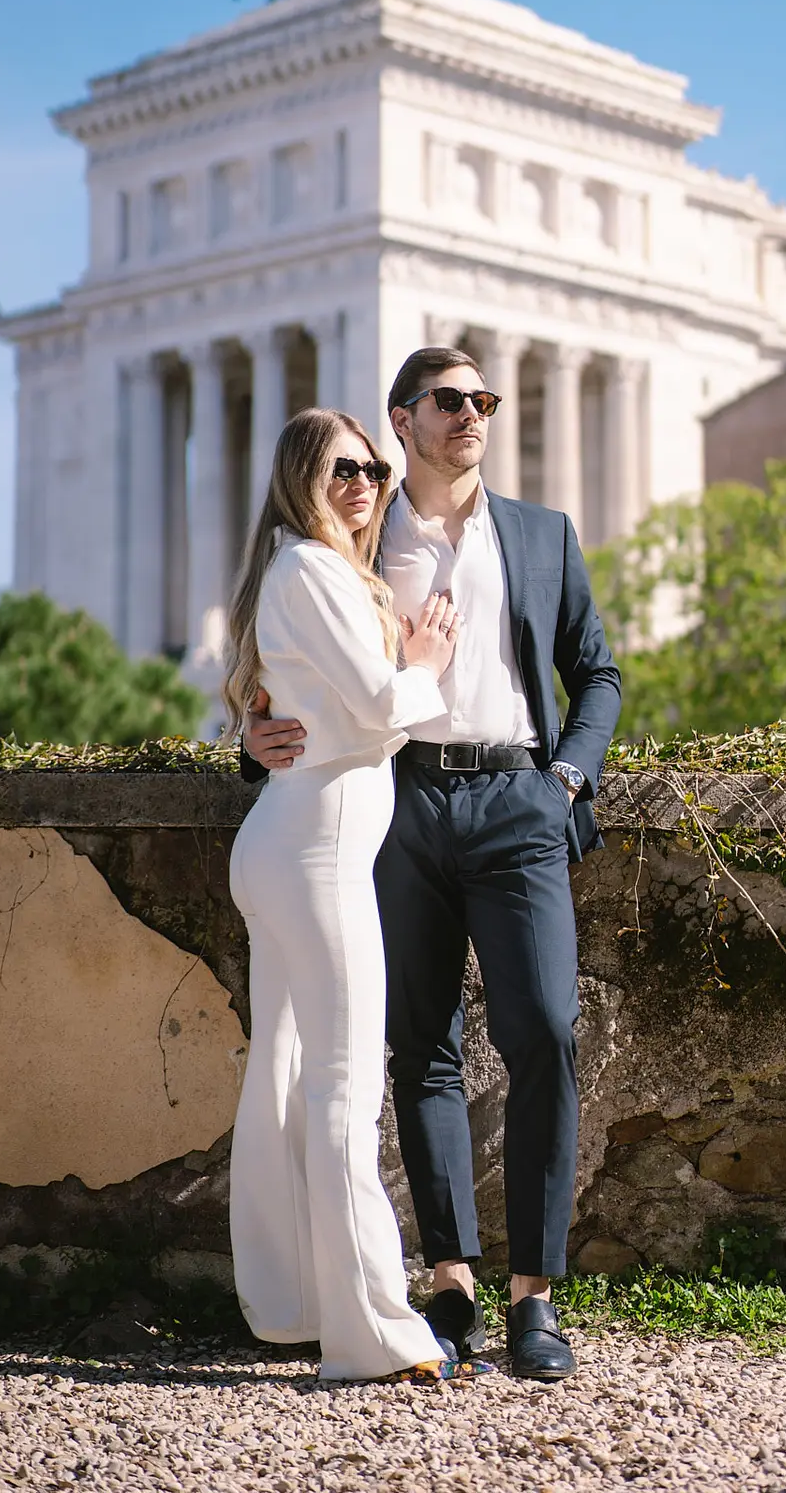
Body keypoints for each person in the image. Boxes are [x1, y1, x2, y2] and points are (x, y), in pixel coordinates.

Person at [244, 347, 622, 1382]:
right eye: (449, 401)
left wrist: (567, 781)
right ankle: (450, 1284)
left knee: (543, 1029)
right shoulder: (353, 532)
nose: (471, 415)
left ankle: (534, 1300)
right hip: (395, 803)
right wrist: (255, 729)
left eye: (482, 401)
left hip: (516, 801)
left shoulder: (541, 534)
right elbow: (292, 655)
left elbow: (595, 671)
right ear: (401, 419)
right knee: (419, 1045)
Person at [224, 405, 473, 1383]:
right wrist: (423, 668)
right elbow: (378, 706)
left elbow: (297, 706)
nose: (365, 483)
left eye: (373, 467)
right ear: (299, 479)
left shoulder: (309, 571)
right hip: (314, 852)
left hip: (295, 845)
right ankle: (371, 1333)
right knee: (340, 1089)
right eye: (342, 469)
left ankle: (298, 1304)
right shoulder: (312, 570)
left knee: (292, 1086)